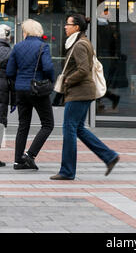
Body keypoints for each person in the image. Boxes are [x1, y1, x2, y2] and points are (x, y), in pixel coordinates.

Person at [50, 13, 119, 180]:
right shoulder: (79, 42)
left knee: (69, 129)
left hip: (79, 92)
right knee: (78, 128)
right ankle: (109, 156)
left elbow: (83, 70)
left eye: (68, 24)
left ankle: (67, 171)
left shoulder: (80, 45)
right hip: (81, 92)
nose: (65, 27)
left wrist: (67, 80)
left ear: (77, 27)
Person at [6, 19, 55, 170]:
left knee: (23, 125)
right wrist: (51, 80)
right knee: (48, 124)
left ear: (26, 32)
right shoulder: (43, 46)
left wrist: (19, 82)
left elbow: (9, 71)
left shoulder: (18, 46)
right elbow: (47, 67)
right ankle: (30, 155)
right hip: (37, 89)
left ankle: (18, 161)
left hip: (21, 89)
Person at [0, 25, 16, 167]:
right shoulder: (10, 53)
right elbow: (12, 76)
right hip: (3, 90)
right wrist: (14, 99)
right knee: (0, 122)